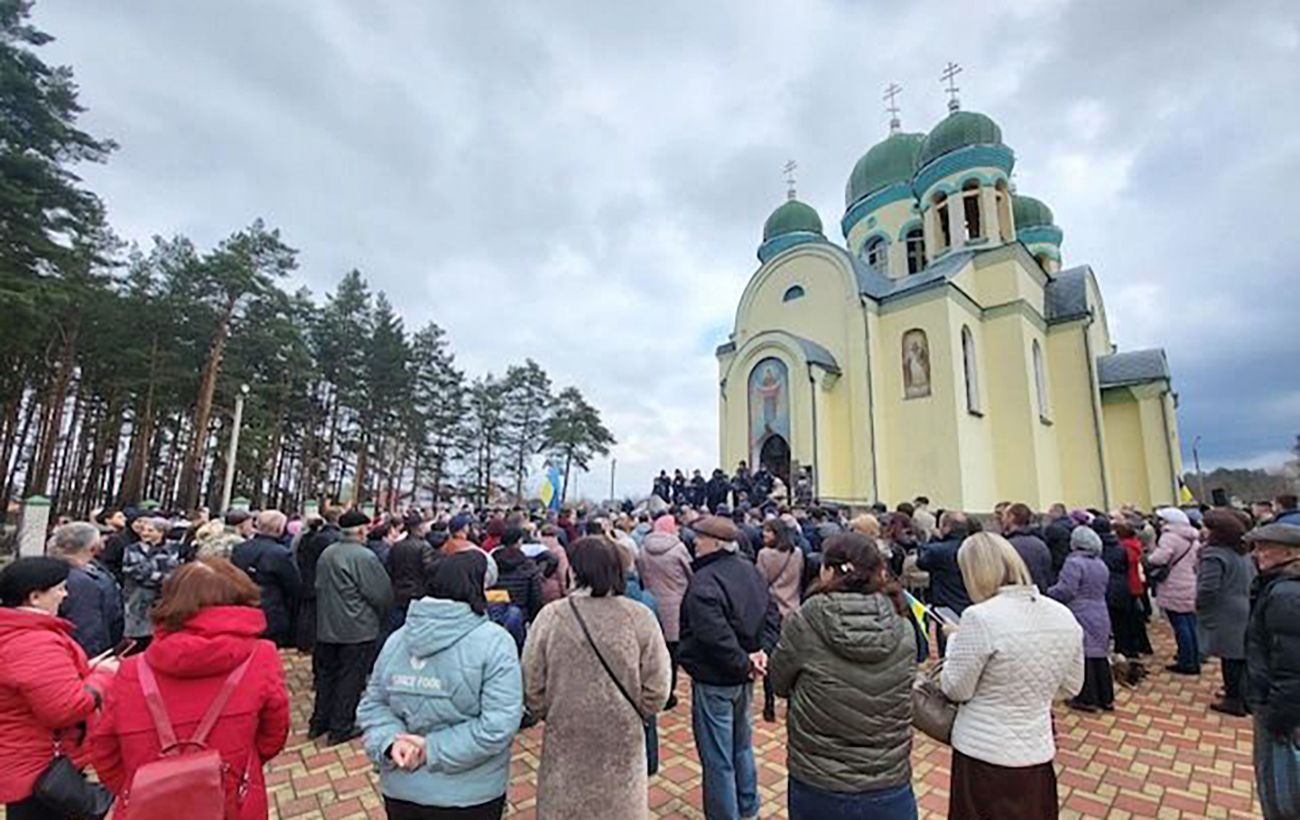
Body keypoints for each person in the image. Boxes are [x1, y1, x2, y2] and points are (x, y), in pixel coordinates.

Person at [89, 559, 290, 820]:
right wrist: (239, 764)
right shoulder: (261, 656)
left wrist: (145, 788)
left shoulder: (131, 669)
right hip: (232, 798)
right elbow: (274, 732)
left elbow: (104, 749)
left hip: (152, 806)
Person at [358, 552, 523, 820]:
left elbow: (373, 704)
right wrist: (397, 743)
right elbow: (498, 725)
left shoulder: (396, 640)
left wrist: (395, 743)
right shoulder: (496, 642)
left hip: (404, 790)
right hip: (470, 795)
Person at [770, 533, 918, 820]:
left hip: (820, 777)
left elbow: (779, 682)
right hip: (887, 777)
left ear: (828, 570)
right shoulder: (903, 626)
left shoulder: (804, 622)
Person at [522, 537, 671, 820]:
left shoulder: (551, 617)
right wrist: (634, 711)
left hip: (565, 736)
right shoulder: (640, 617)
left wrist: (550, 711)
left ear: (575, 572)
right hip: (622, 740)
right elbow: (659, 688)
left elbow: (532, 684)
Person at [941, 533, 1084, 820]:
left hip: (983, 752)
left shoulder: (979, 617)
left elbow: (956, 688)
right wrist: (1031, 690)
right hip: (1036, 748)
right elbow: (1071, 685)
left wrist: (955, 642)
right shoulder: (1062, 614)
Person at [677, 515, 780, 820]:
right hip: (743, 674)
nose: (694, 542)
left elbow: (713, 636)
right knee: (741, 747)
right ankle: (748, 810)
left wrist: (752, 660)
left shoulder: (704, 581)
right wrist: (759, 656)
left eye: (700, 537)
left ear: (717, 543)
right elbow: (771, 616)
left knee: (719, 758)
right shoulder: (750, 570)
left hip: (717, 679)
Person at [0, 557, 118, 820]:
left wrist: (81, 670)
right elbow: (65, 709)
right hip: (39, 767)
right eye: (60, 588)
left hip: (22, 758)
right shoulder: (34, 642)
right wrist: (104, 675)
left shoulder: (16, 633)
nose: (65, 595)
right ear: (35, 597)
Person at [310, 509, 395, 745]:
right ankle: (341, 726)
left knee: (327, 676)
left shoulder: (328, 553)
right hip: (356, 627)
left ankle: (319, 721)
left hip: (327, 625)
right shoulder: (363, 557)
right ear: (359, 531)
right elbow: (380, 593)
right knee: (351, 678)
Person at [1243, 522, 1300, 818]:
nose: (1256, 554)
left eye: (1265, 547)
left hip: (1282, 711)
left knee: (1283, 793)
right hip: (1279, 705)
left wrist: (1278, 716)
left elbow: (1292, 664)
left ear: (1290, 553)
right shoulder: (1275, 586)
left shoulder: (1286, 595)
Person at [1196, 508, 1255, 716]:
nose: (1203, 530)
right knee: (1241, 656)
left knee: (1230, 657)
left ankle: (1234, 699)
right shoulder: (1243, 551)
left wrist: (1200, 604)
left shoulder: (1214, 554)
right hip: (1243, 605)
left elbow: (1208, 587)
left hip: (1225, 611)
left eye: (1207, 527)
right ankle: (1245, 696)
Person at [1048, 526, 1114, 712]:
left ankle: (1087, 697)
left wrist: (1048, 592)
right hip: (1100, 610)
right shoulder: (1100, 564)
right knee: (1100, 654)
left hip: (1080, 611)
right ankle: (1105, 696)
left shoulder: (1074, 563)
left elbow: (1066, 590)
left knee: (1084, 654)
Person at [636, 512, 693, 709]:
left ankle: (654, 689)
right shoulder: (678, 549)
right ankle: (669, 692)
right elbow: (689, 573)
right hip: (675, 604)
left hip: (651, 603)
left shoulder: (643, 548)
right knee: (672, 651)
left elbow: (641, 574)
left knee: (653, 650)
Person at [49, 521, 124, 658]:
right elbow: (86, 629)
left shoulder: (92, 570)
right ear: (93, 548)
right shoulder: (80, 582)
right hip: (83, 657)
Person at [232, 510, 303, 648]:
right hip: (270, 611)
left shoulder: (240, 549)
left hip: (243, 606)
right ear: (279, 528)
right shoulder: (280, 553)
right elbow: (293, 585)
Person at [756, 518, 803, 723]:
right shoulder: (797, 553)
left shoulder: (764, 555)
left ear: (776, 533)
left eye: (767, 531)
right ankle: (791, 703)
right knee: (793, 657)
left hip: (772, 612)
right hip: (793, 609)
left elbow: (760, 583)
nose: (763, 535)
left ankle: (769, 705)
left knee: (770, 658)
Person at [1149, 507, 1203, 675]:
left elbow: (1160, 558)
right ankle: (1194, 656)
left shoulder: (1169, 537)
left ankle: (1186, 661)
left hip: (1174, 583)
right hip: (1190, 582)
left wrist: (1149, 557)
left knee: (1180, 624)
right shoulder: (1193, 537)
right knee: (1190, 623)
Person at [916, 511, 974, 654]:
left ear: (946, 527)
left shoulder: (938, 550)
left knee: (946, 647)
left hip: (945, 606)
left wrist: (934, 539)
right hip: (971, 602)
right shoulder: (975, 548)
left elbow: (922, 562)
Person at [122, 516, 184, 649]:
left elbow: (177, 570)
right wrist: (161, 577)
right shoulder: (132, 549)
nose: (145, 533)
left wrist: (159, 577)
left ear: (161, 532)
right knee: (136, 637)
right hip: (137, 599)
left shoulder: (174, 548)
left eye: (150, 530)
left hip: (163, 598)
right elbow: (133, 571)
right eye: (143, 530)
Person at [295, 506, 342, 653]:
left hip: (307, 577)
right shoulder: (335, 538)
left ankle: (304, 642)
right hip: (325, 581)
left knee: (307, 613)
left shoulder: (308, 536)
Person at [386, 515, 435, 632]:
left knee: (396, 629)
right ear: (418, 528)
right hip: (418, 593)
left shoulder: (396, 546)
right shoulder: (424, 547)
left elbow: (389, 568)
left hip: (398, 592)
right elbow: (429, 570)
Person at [1111, 519, 1152, 656]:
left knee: (1130, 619)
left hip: (1129, 584)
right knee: (1135, 618)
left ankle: (1133, 647)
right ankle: (1142, 645)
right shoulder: (1134, 544)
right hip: (1135, 583)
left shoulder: (1125, 548)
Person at [489, 527, 544, 626]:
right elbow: (535, 595)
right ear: (519, 541)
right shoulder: (528, 565)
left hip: (495, 614)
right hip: (521, 616)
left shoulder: (491, 562)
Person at [1002, 503, 1054, 590]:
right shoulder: (1040, 544)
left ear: (1011, 517)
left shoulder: (1006, 546)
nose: (1002, 520)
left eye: (1004, 516)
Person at [1042, 503, 1074, 576]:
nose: (1048, 514)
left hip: (1056, 563)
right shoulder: (1072, 525)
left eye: (1051, 511)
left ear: (1057, 512)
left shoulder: (1053, 528)